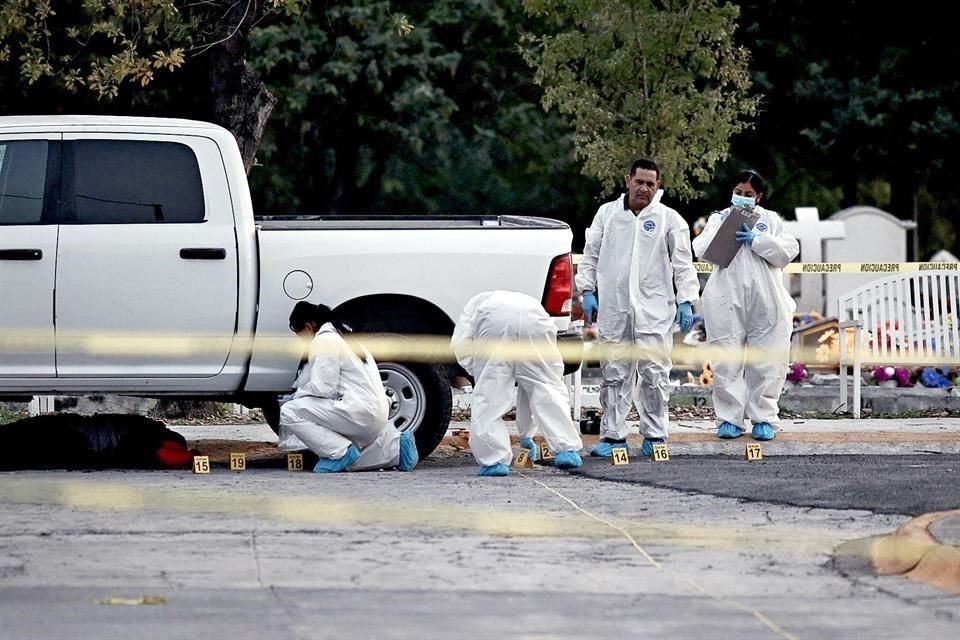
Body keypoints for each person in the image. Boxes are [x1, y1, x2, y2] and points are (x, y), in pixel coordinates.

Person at [575, 158, 700, 458]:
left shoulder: (670, 220)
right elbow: (590, 255)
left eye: (650, 183)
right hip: (615, 309)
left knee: (655, 373)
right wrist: (587, 290)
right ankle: (613, 435)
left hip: (655, 310)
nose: (644, 188)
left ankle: (655, 434)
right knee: (615, 372)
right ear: (627, 179)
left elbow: (683, 264)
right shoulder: (607, 215)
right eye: (639, 181)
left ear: (658, 187)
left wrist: (686, 299)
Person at [692, 170, 799, 441]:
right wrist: (725, 230)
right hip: (726, 298)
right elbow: (700, 248)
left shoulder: (771, 220)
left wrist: (757, 240)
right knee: (726, 357)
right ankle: (729, 419)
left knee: (768, 357)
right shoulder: (718, 218)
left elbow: (789, 250)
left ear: (758, 197)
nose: (742, 198)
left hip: (767, 299)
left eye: (748, 195)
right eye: (738, 193)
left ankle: (763, 417)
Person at [451, 290, 584, 476]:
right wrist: (526, 437)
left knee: (490, 395)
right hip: (535, 318)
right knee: (545, 386)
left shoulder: (473, 309)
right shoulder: (516, 300)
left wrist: (482, 372)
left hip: (494, 322)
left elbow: (461, 347)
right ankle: (566, 450)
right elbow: (530, 388)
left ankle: (494, 461)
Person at [278, 301, 419, 472]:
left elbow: (324, 388)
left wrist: (298, 395)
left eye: (300, 336)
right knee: (352, 457)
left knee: (289, 411)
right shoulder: (343, 336)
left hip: (359, 413)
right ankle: (397, 447)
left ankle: (339, 453)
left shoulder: (324, 340)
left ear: (309, 327)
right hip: (376, 415)